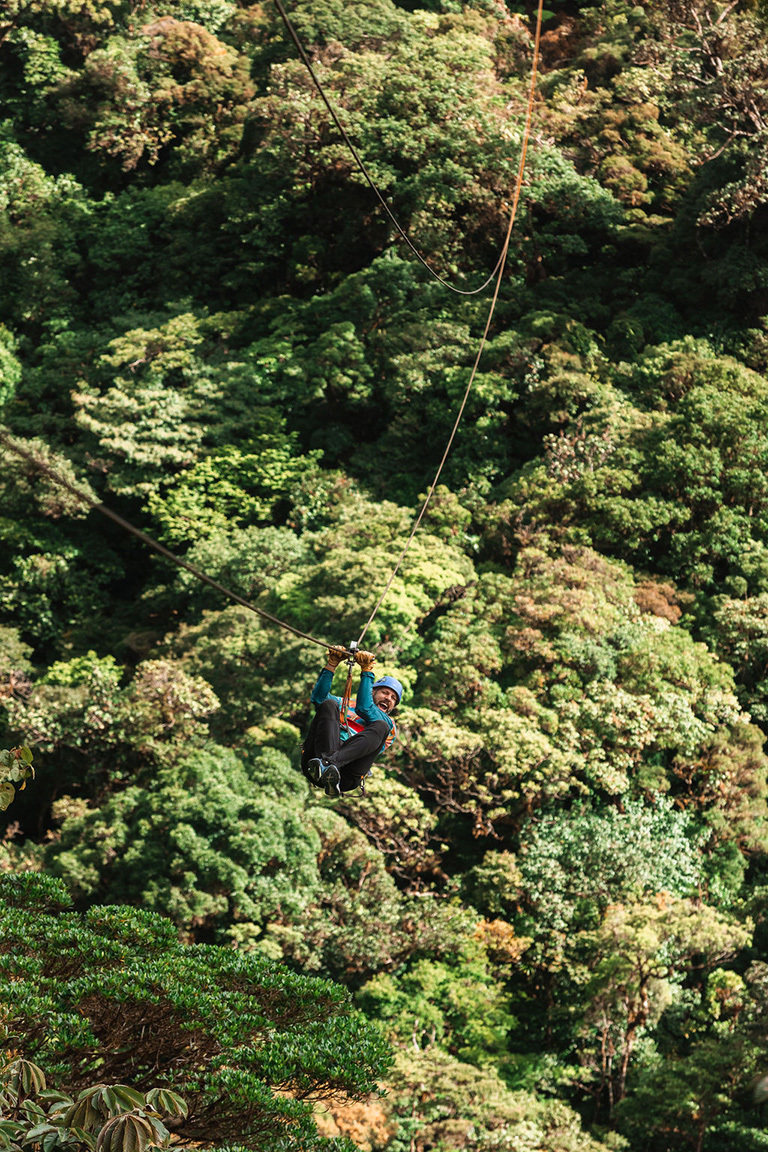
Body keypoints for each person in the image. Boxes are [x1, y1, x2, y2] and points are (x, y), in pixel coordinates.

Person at [302, 645, 403, 798]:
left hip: (346, 774)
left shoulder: (388, 725)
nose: (388, 698)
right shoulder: (346, 704)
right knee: (329, 705)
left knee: (380, 726)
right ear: (372, 692)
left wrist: (367, 671)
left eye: (393, 698)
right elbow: (319, 699)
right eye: (385, 692)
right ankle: (327, 763)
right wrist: (332, 664)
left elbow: (365, 708)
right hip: (316, 760)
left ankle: (330, 763)